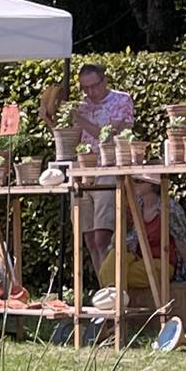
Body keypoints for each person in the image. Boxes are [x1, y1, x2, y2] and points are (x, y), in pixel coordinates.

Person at [44, 62, 133, 276]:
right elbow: (68, 140)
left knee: (103, 236)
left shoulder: (121, 100)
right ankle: (105, 286)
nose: (90, 92)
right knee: (90, 238)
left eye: (94, 86)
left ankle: (112, 285)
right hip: (84, 172)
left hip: (108, 170)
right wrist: (49, 119)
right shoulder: (81, 106)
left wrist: (78, 118)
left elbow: (107, 136)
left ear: (105, 81)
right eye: (85, 88)